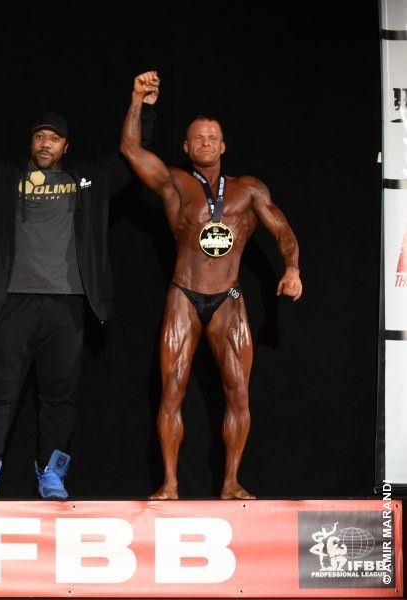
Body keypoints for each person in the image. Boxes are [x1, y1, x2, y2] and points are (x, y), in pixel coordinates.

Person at [0, 75, 157, 499]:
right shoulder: (0, 178)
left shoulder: (88, 180)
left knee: (59, 398)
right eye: (40, 137)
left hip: (68, 307)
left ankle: (52, 475)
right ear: (31, 143)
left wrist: (142, 104)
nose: (46, 144)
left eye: (54, 139)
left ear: (66, 146)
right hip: (10, 303)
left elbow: (132, 152)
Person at [120, 71, 302, 500]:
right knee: (172, 391)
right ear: (186, 147)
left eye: (212, 137)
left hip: (229, 297)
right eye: (197, 138)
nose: (205, 142)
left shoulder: (248, 190)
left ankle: (231, 482)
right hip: (184, 294)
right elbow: (131, 149)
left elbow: (281, 229)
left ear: (223, 146)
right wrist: (137, 100)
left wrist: (292, 268)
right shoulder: (174, 183)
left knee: (238, 394)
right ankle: (169, 483)